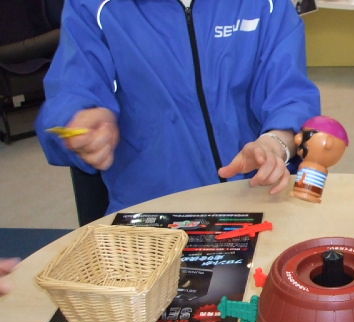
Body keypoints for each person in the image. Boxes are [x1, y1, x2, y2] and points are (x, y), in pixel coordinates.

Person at [36, 0, 321, 214]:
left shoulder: (266, 4)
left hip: (257, 196)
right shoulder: (95, 7)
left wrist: (275, 145)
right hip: (151, 211)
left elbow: (291, 94)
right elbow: (71, 91)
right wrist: (80, 124)